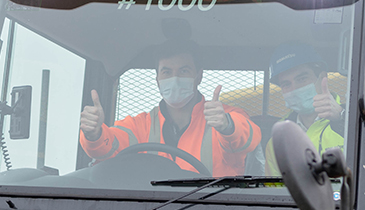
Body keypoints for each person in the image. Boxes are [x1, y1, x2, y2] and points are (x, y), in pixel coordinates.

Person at [79, 41, 260, 176]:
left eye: (184, 71)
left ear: (199, 76)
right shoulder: (140, 126)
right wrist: (94, 134)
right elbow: (109, 146)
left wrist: (227, 126)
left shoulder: (224, 117)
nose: (174, 78)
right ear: (157, 79)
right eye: (166, 72)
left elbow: (248, 137)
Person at [264, 42, 345, 175]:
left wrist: (342, 119)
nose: (295, 88)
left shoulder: (356, 118)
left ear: (322, 77)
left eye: (302, 79)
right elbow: (274, 191)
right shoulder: (276, 142)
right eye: (286, 84)